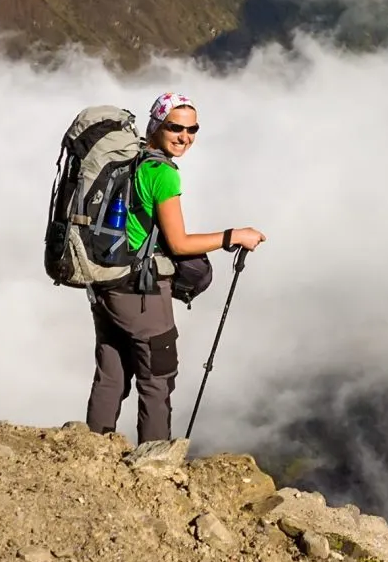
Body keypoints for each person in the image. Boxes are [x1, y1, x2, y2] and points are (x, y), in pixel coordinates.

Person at [85, 91, 266, 444]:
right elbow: (179, 243)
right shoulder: (161, 174)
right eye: (175, 128)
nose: (185, 137)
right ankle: (154, 467)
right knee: (157, 378)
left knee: (111, 373)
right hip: (141, 291)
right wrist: (234, 235)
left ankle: (90, 452)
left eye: (193, 129)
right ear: (156, 125)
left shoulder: (131, 159)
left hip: (105, 278)